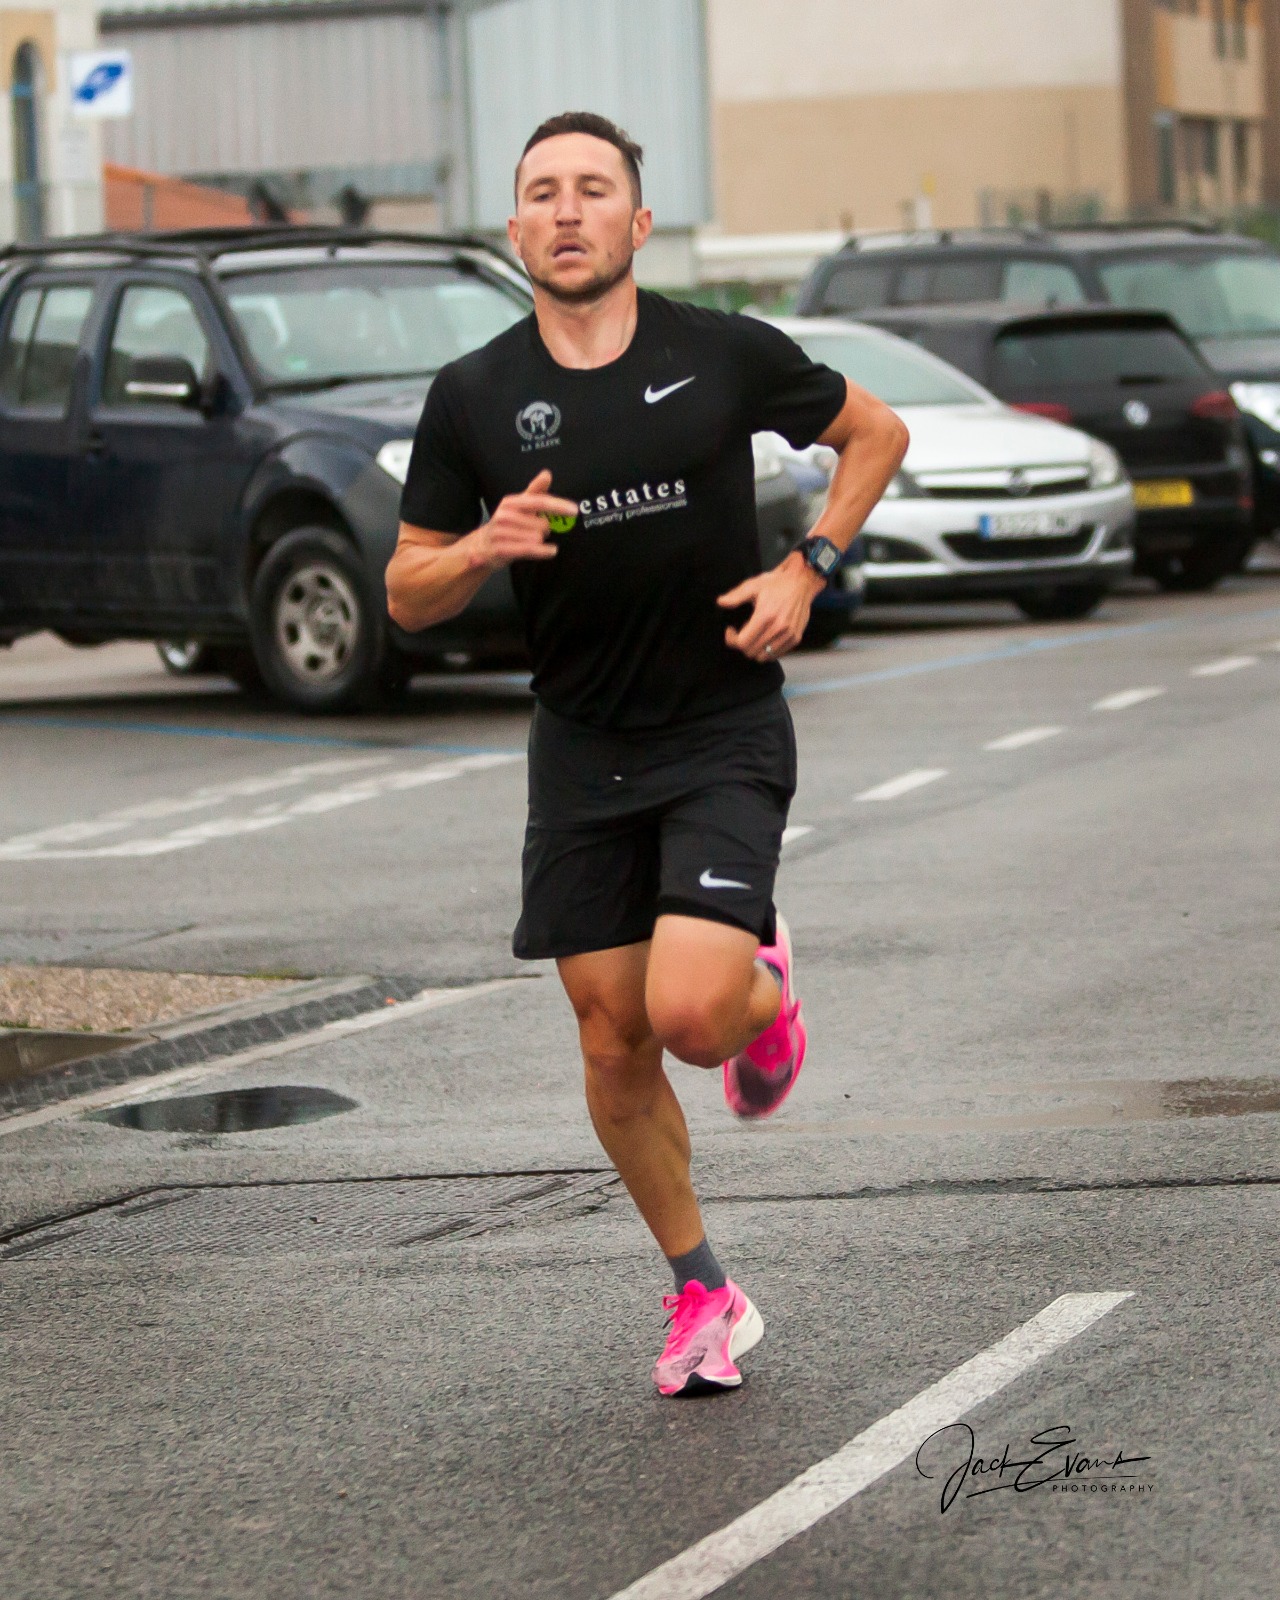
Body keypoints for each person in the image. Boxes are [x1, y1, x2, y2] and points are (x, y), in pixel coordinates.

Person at [386, 111, 907, 1397]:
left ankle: (764, 995)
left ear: (638, 220)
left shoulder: (718, 352)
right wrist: (480, 547)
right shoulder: (472, 395)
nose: (566, 210)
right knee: (612, 1038)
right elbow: (404, 592)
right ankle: (701, 1290)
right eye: (541, 192)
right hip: (580, 749)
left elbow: (876, 434)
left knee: (688, 1017)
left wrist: (807, 566)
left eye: (591, 188)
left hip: (720, 725)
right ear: (514, 228)